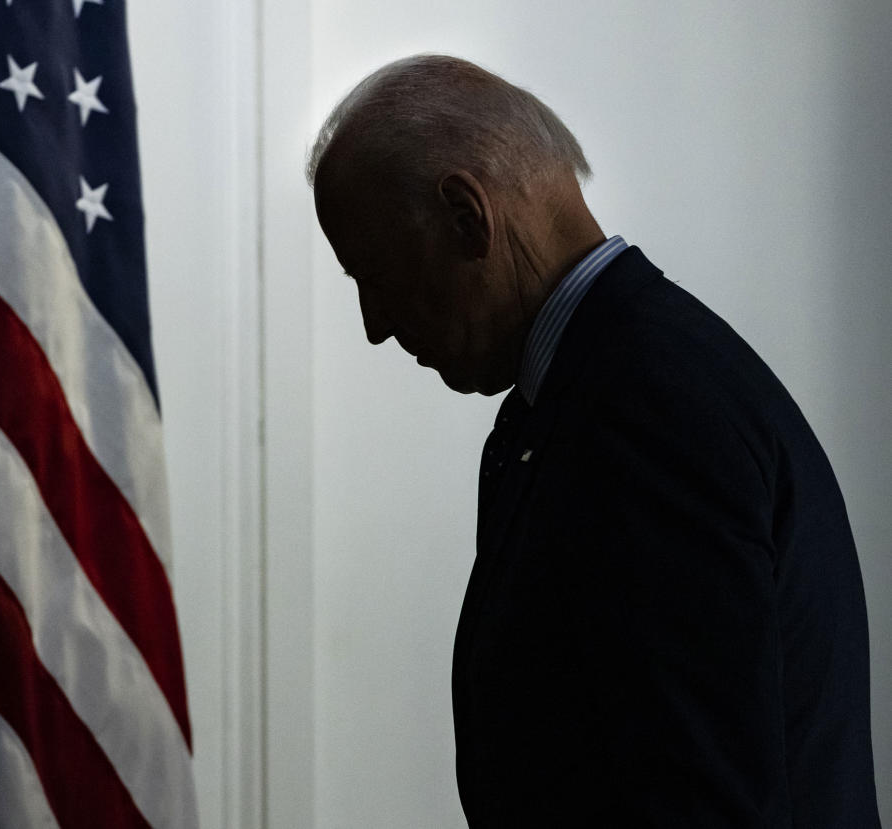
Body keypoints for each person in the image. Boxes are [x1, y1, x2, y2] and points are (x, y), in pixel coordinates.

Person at [306, 54, 880, 827]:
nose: (375, 324)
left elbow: (705, 801)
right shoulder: (596, 394)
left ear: (467, 216)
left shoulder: (650, 410)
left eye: (375, 272)